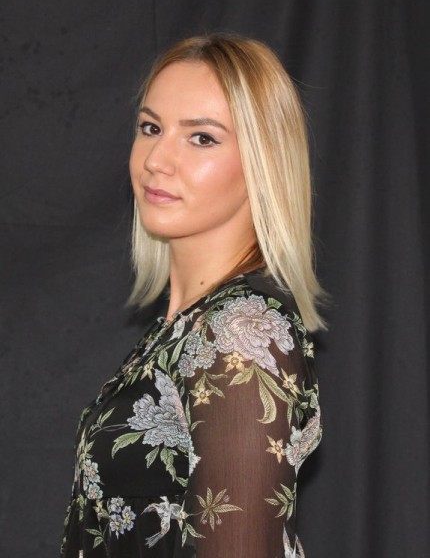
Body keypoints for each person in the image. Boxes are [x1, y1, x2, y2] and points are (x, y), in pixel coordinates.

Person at [61, 34, 324, 558]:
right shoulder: (185, 328)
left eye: (201, 138)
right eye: (151, 128)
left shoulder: (239, 334)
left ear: (263, 162)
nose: (157, 159)